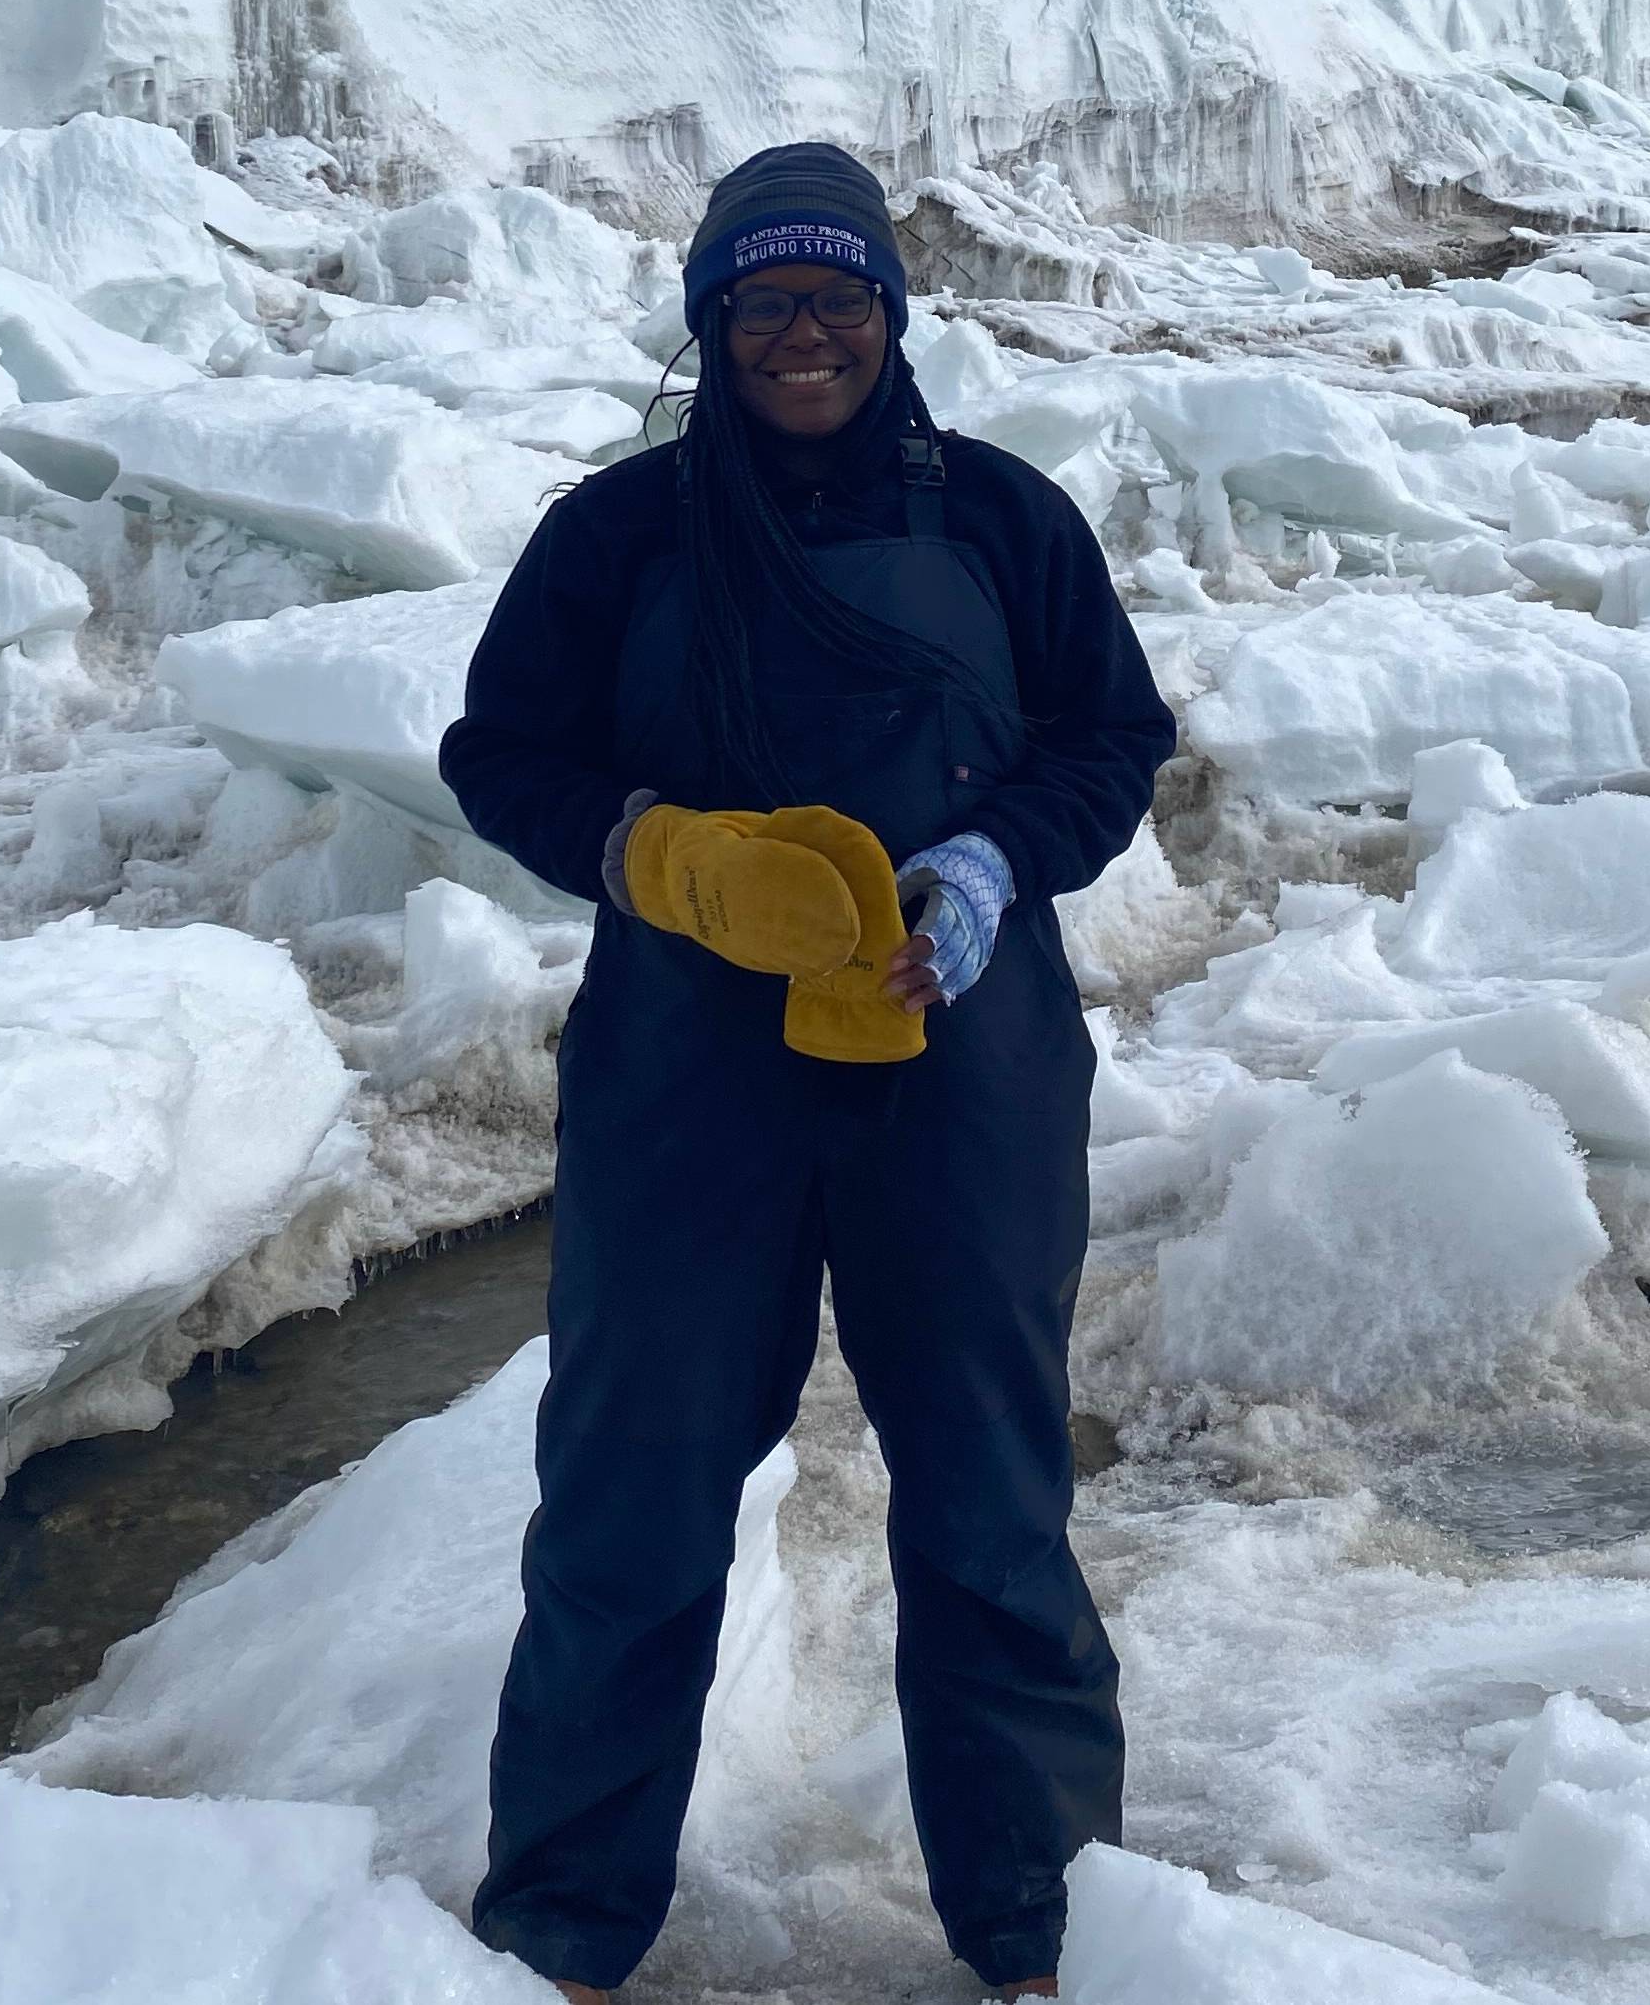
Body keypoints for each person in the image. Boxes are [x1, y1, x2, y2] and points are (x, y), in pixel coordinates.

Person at [438, 141, 1176, 2002]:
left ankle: (1041, 1939)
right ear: (709, 323)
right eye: (761, 302)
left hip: (965, 1056)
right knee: (629, 1504)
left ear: (889, 316)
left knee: (992, 1508)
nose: (802, 337)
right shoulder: (615, 536)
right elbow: (498, 749)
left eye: (835, 297)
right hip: (688, 1074)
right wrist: (647, 854)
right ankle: (558, 1939)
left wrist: (1000, 859)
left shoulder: (1004, 518)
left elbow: (1110, 734)